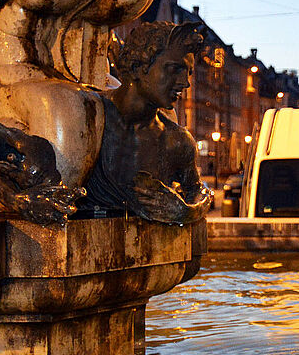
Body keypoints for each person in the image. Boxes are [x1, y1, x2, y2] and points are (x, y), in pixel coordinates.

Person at [86, 22, 213, 225]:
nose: (185, 82)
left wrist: (186, 212)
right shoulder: (88, 116)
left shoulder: (177, 141)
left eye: (187, 72)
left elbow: (199, 191)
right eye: (174, 69)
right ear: (137, 67)